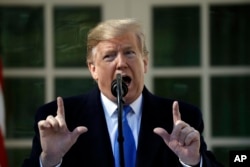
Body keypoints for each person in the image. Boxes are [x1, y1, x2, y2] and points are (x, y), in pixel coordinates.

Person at [22, 18, 223, 167]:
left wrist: (193, 162)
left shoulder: (181, 118)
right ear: (93, 69)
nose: (121, 63)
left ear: (144, 63)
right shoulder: (61, 120)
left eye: (129, 53)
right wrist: (49, 160)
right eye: (109, 56)